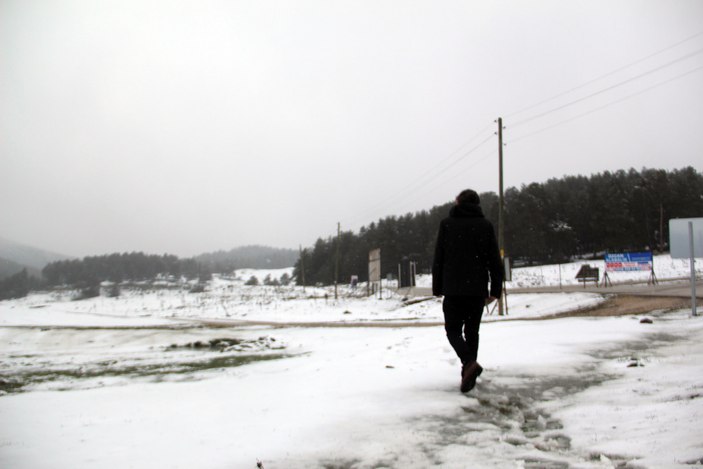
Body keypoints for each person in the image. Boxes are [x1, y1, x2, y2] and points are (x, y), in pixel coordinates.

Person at [432, 189, 503, 393]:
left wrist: (437, 287)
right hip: (477, 290)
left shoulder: (447, 224)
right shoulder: (485, 226)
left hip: (453, 289)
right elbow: (494, 261)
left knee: (452, 330)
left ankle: (468, 364)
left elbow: (439, 258)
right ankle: (468, 370)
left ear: (459, 203)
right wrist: (495, 290)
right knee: (472, 331)